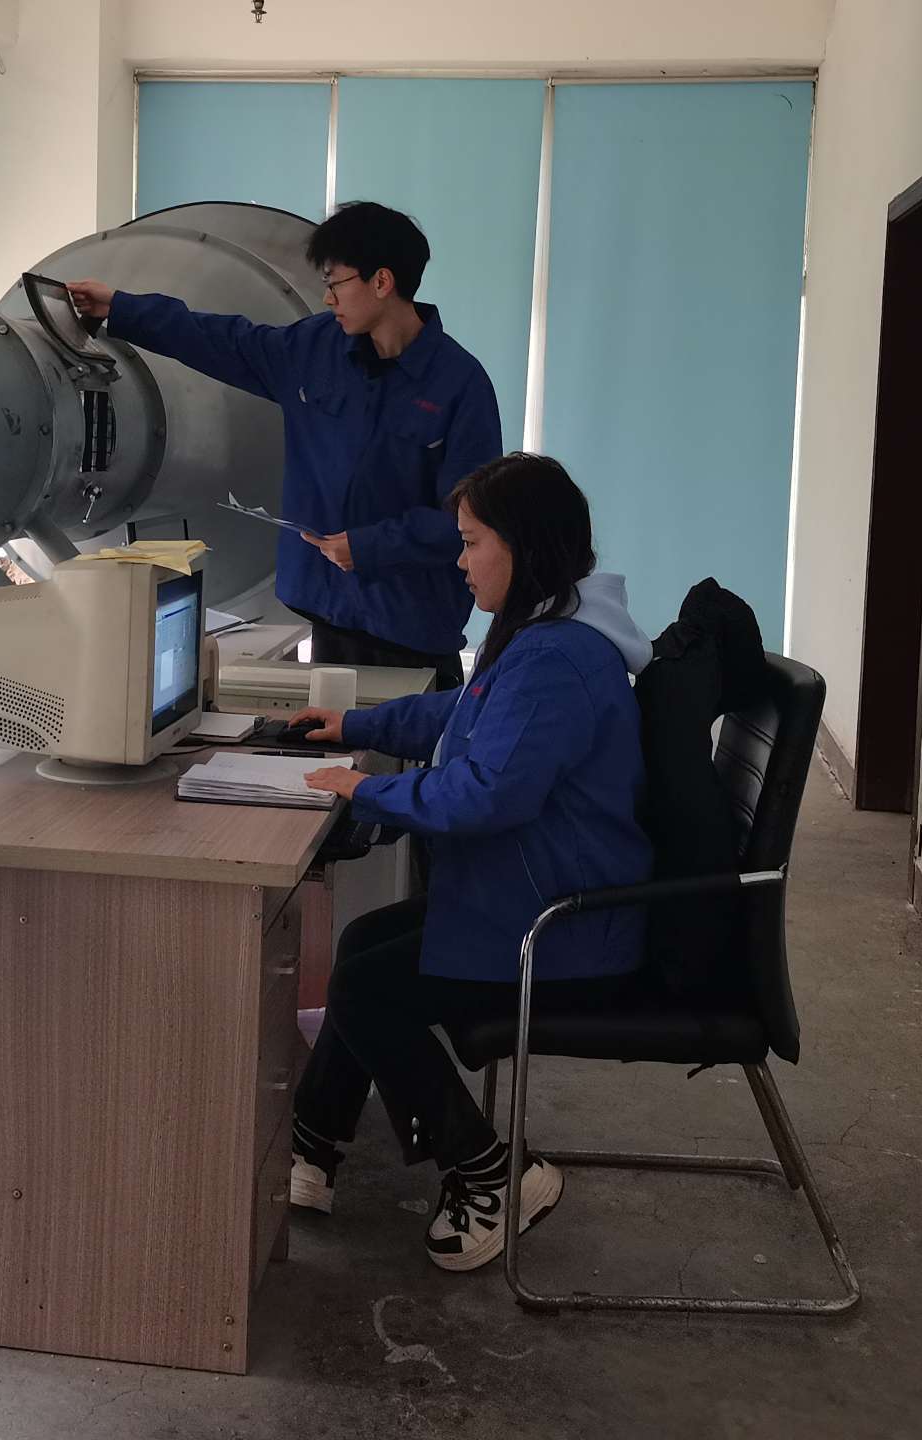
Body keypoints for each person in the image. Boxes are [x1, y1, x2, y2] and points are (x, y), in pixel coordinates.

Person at [284, 453, 654, 1272]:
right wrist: (357, 726)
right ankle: (313, 1144)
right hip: (534, 892)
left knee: (368, 987)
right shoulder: (551, 631)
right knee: (365, 946)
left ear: (523, 546)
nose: (460, 561)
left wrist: (363, 790)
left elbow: (484, 796)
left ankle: (492, 1174)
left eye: (472, 541)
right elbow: (466, 711)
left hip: (558, 926)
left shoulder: (556, 658)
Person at [66, 202, 501, 689]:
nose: (327, 298)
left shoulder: (460, 385)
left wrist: (369, 546)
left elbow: (469, 518)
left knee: (413, 733)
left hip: (412, 626)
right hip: (328, 613)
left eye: (336, 283)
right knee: (334, 733)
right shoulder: (314, 349)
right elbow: (222, 339)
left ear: (382, 282)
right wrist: (120, 307)